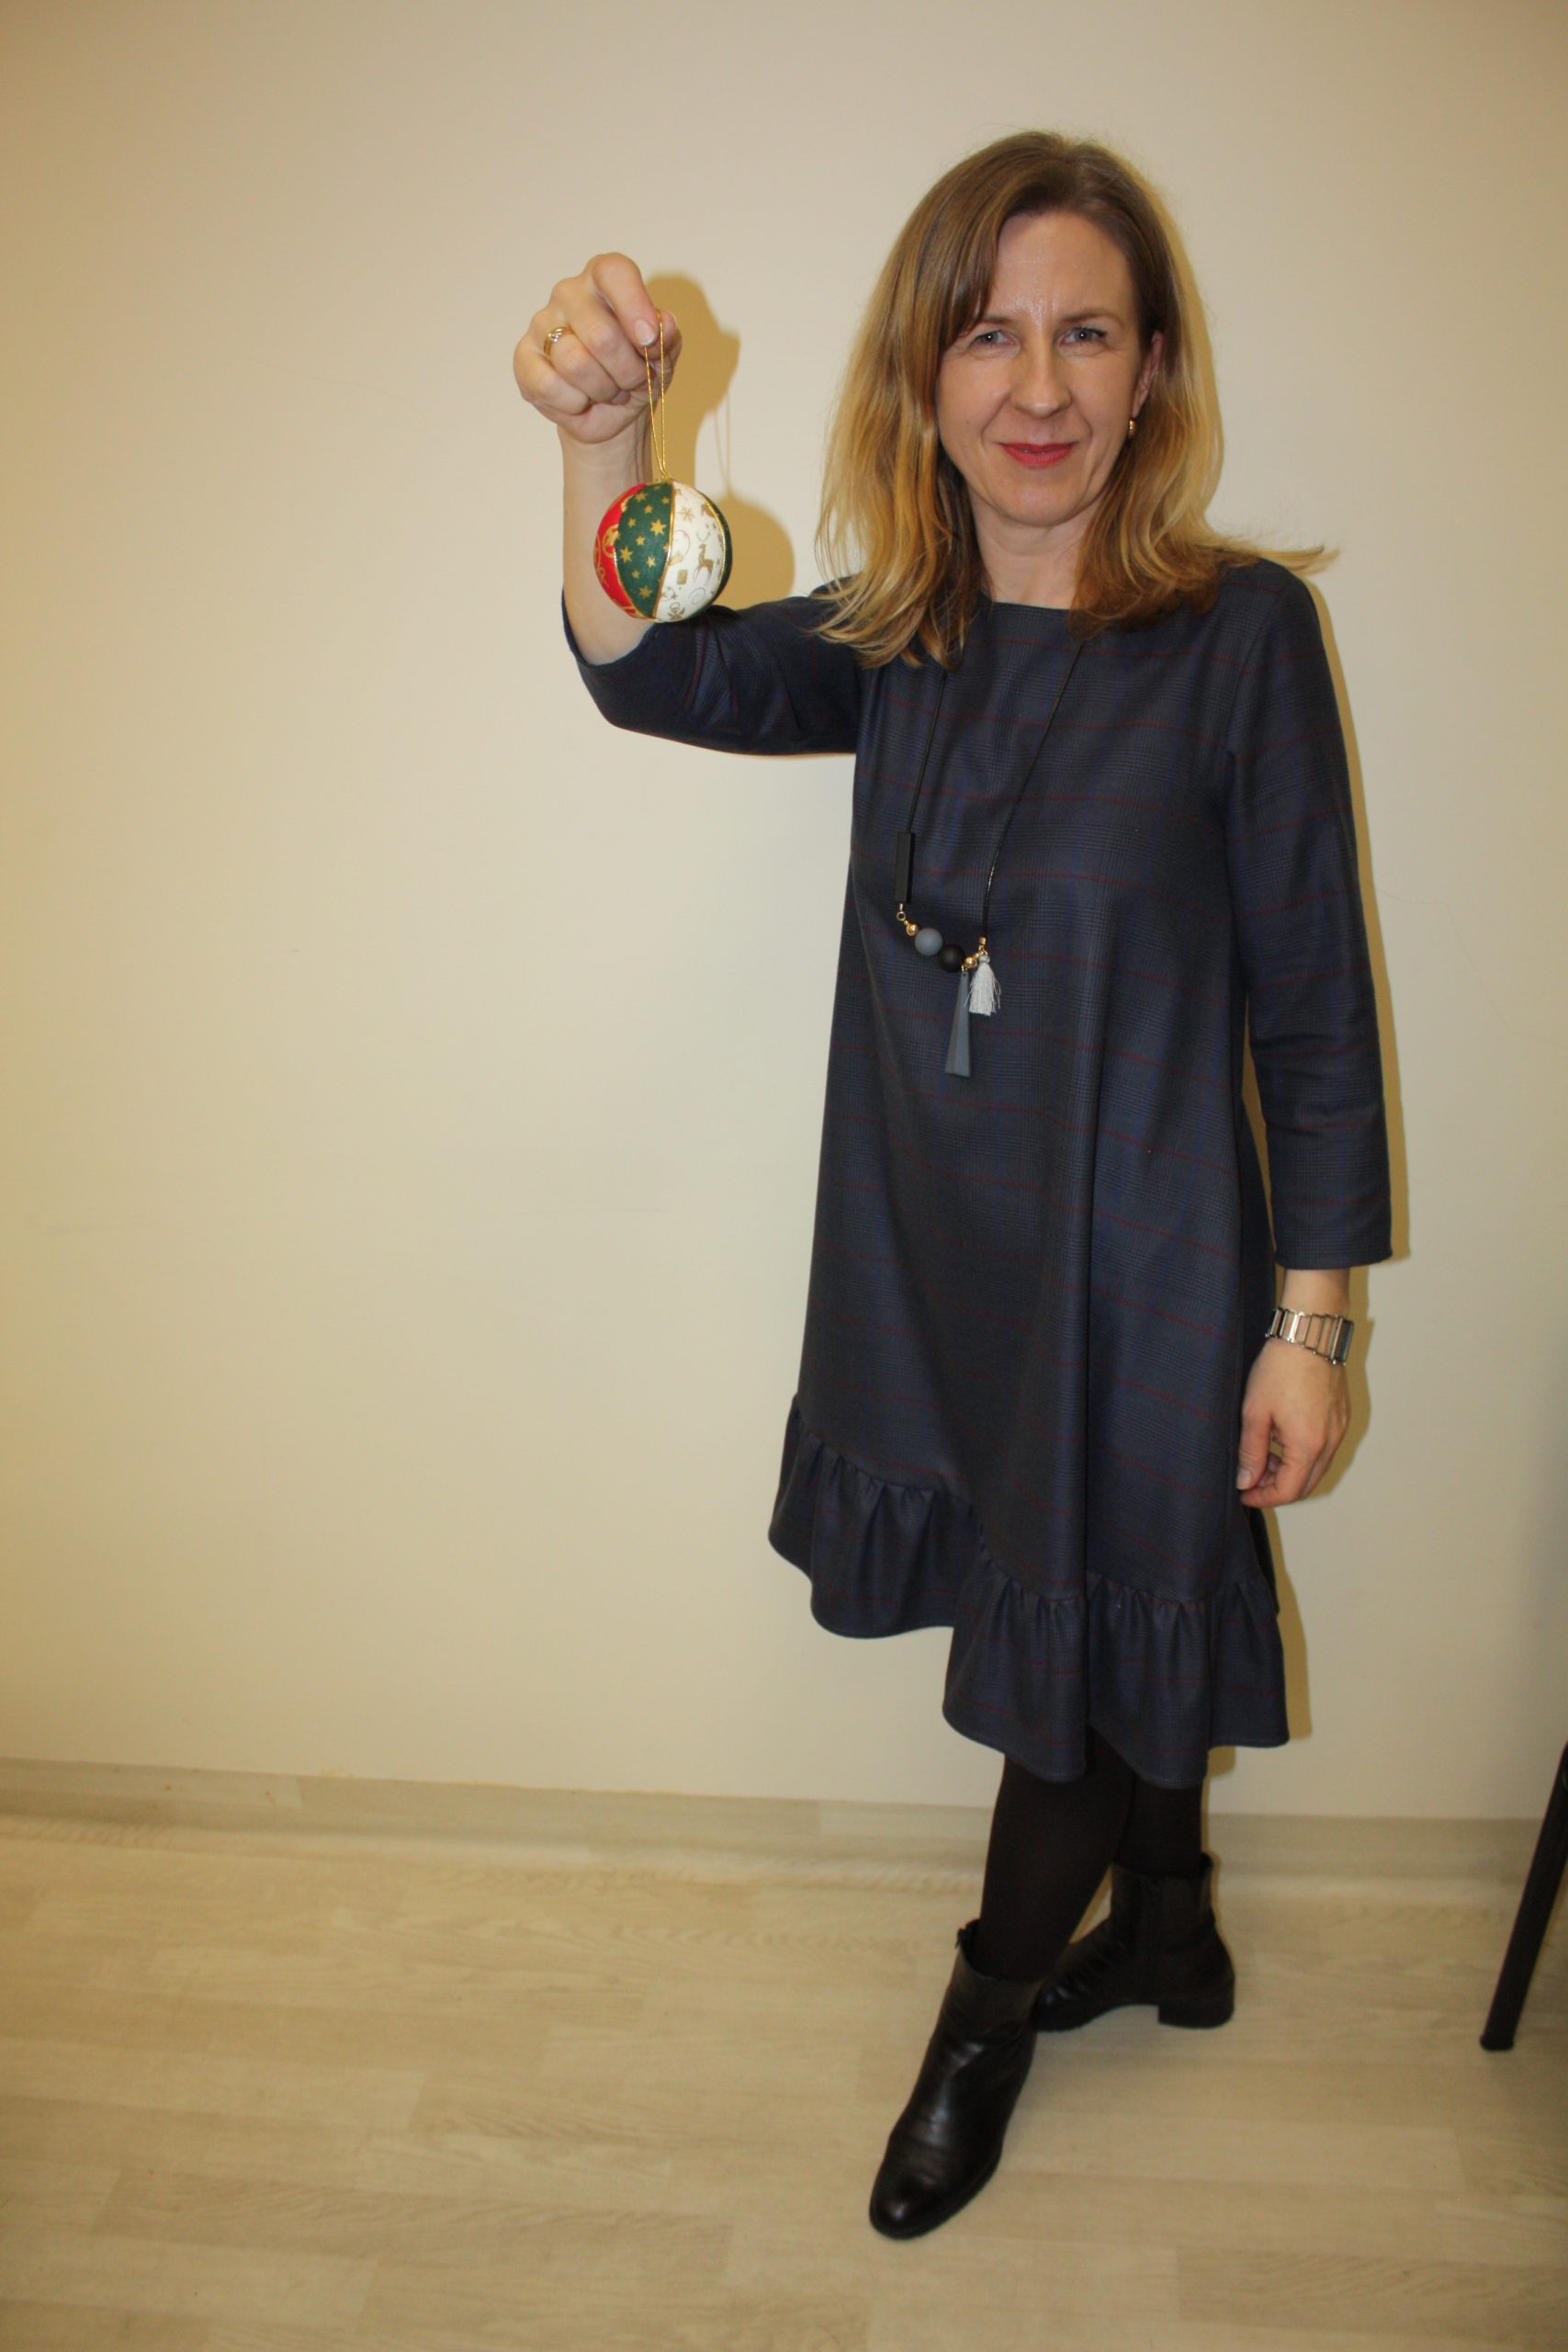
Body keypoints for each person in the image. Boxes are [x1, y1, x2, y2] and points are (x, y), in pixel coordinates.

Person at [513, 130, 1393, 2241]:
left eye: (1085, 331)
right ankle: (1166, 1923)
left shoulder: (1238, 636)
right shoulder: (892, 635)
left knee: (1089, 1634)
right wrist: (605, 442)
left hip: (1160, 1249)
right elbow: (649, 666)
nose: (1036, 382)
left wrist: (1311, 1317)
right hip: (940, 1251)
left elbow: (1313, 1003)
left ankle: (983, 2018)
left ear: (1150, 368)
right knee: (1125, 1586)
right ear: (923, 373)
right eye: (987, 333)